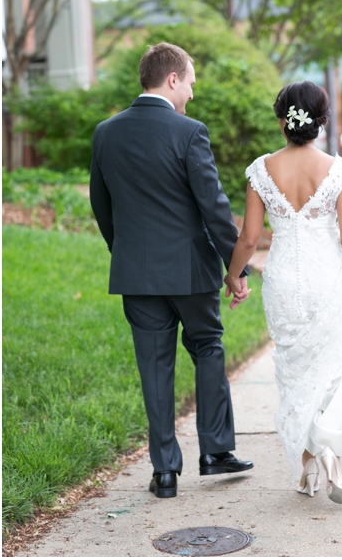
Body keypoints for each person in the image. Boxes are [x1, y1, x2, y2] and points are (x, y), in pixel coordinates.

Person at [226, 81, 342, 505]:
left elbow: (250, 238)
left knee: (296, 376)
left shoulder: (260, 170)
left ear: (281, 121)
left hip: (285, 286)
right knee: (332, 375)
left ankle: (310, 464)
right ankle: (328, 455)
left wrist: (233, 276)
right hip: (331, 282)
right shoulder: (340, 172)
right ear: (322, 122)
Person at [90, 42, 254, 499]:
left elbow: (101, 206)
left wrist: (124, 252)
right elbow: (214, 208)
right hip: (189, 272)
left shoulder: (106, 133)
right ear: (173, 79)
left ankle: (165, 472)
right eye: (191, 84)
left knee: (153, 367)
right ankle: (216, 452)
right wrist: (234, 267)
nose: (193, 97)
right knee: (208, 348)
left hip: (135, 274)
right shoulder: (189, 132)